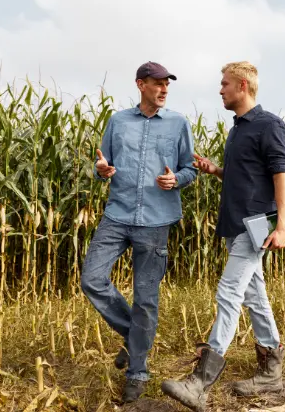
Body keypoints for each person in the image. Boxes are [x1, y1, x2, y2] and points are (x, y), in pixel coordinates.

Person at [161, 61, 285, 411]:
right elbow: (243, 177)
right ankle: (271, 370)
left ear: (243, 87)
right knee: (255, 295)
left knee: (229, 291)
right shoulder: (237, 129)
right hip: (236, 224)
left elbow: (281, 175)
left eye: (224, 84)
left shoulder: (268, 124)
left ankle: (200, 382)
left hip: (257, 223)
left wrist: (282, 226)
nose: (220, 90)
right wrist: (216, 170)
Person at [81, 61, 197, 403]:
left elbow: (190, 169)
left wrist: (176, 179)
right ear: (140, 85)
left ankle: (138, 370)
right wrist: (101, 170)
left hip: (156, 221)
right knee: (92, 279)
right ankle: (136, 339)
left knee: (146, 298)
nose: (163, 90)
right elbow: (103, 165)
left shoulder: (178, 123)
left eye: (167, 86)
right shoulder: (118, 121)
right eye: (157, 84)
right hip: (117, 216)